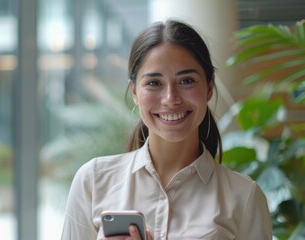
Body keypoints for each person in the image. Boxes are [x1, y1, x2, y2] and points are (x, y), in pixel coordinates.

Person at [61, 20, 272, 240]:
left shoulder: (244, 196)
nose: (171, 99)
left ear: (209, 88)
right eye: (154, 83)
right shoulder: (93, 181)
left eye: (186, 80)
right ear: (134, 91)